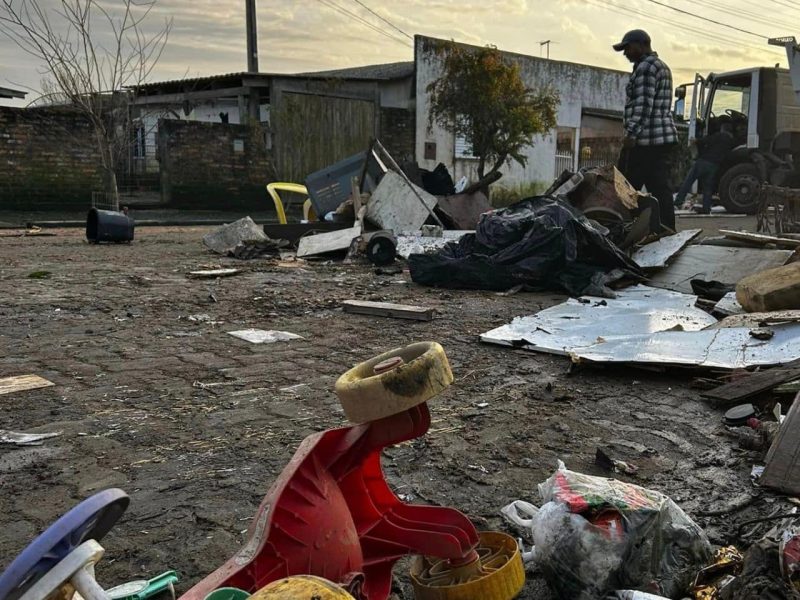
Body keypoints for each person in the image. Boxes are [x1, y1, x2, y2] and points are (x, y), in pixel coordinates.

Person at [613, 29, 679, 231]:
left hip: (647, 141)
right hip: (662, 140)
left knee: (626, 187)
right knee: (660, 188)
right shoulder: (662, 66)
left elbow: (643, 104)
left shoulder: (646, 67)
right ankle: (667, 230)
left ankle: (620, 229)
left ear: (641, 45)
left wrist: (631, 134)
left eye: (628, 48)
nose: (625, 53)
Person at [674, 123, 736, 214]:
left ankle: (678, 201)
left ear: (723, 129)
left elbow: (706, 141)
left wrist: (696, 141)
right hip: (714, 165)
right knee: (708, 187)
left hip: (703, 161)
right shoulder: (731, 141)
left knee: (689, 181)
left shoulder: (719, 136)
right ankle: (706, 208)